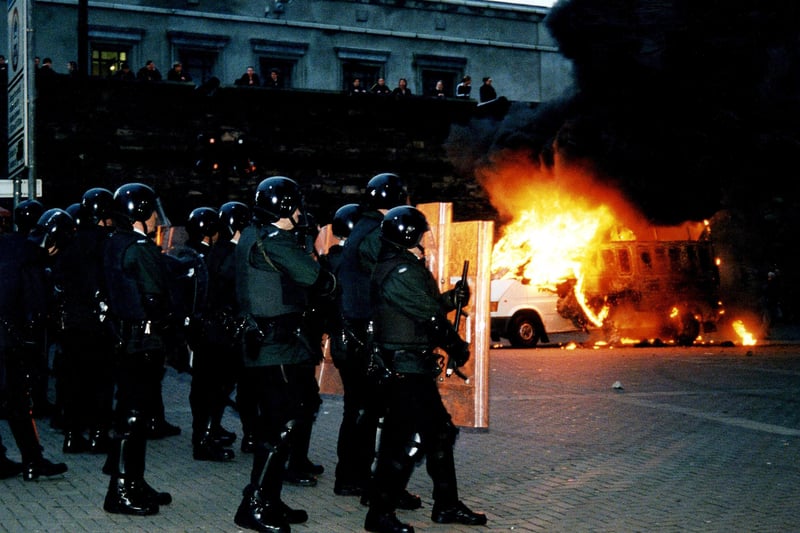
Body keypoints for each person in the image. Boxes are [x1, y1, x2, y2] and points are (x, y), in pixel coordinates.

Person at [364, 205, 486, 533]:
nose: (424, 240)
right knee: (401, 442)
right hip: (405, 369)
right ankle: (379, 514)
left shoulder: (396, 264)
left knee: (439, 433)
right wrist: (457, 347)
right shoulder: (402, 270)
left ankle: (446, 505)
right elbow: (428, 317)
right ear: (409, 235)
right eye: (420, 233)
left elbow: (421, 305)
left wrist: (449, 299)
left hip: (409, 366)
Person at [233, 176, 336, 533]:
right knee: (282, 424)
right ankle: (256, 504)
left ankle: (269, 498)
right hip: (277, 346)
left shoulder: (253, 233)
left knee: (284, 418)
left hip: (271, 344)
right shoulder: (276, 241)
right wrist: (319, 250)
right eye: (295, 206)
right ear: (284, 209)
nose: (299, 212)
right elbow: (316, 279)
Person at [334, 173, 421, 512]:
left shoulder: (363, 227)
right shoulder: (376, 232)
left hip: (353, 332)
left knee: (360, 410)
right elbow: (388, 279)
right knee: (381, 412)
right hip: (367, 335)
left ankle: (352, 476)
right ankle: (375, 485)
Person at [101, 183, 173, 516]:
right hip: (142, 339)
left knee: (131, 413)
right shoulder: (140, 246)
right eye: (152, 210)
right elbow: (155, 295)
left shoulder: (115, 242)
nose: (157, 217)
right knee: (133, 414)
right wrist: (170, 325)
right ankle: (121, 490)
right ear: (140, 213)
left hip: (123, 337)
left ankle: (133, 481)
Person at [0, 208, 72, 481]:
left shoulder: (11, 250)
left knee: (14, 401)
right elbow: (33, 303)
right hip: (8, 339)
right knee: (17, 401)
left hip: (7, 335)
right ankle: (32, 459)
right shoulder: (17, 250)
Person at [50, 188, 116, 455]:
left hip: (71, 322)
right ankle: (98, 435)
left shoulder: (70, 243)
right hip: (98, 322)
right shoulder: (107, 242)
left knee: (75, 380)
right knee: (101, 380)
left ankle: (72, 435)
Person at [180, 206, 237, 462]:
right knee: (211, 387)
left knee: (204, 386)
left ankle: (208, 432)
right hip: (212, 331)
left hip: (197, 330)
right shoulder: (211, 257)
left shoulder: (185, 253)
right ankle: (203, 440)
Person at [209, 202, 254, 453]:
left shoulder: (219, 250)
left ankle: (214, 429)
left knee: (225, 385)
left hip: (223, 330)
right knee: (242, 387)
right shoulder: (234, 254)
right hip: (232, 330)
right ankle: (247, 434)